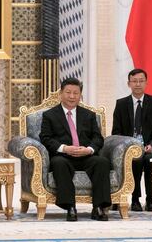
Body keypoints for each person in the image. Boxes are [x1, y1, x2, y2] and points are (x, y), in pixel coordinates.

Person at [40, 77, 111, 222]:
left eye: (75, 93)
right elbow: (46, 138)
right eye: (68, 92)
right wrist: (64, 148)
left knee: (102, 162)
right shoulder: (50, 115)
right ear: (61, 93)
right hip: (64, 156)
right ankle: (70, 207)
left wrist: (89, 149)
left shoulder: (89, 115)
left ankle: (98, 207)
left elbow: (98, 138)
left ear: (80, 95)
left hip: (85, 155)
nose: (72, 96)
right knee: (59, 164)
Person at [111, 68, 152, 212]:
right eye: (134, 81)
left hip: (149, 148)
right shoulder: (121, 104)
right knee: (136, 160)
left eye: (141, 81)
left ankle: (149, 199)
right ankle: (135, 199)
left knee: (149, 161)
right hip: (129, 149)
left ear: (146, 83)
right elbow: (116, 132)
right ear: (129, 84)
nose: (138, 84)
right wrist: (128, 146)